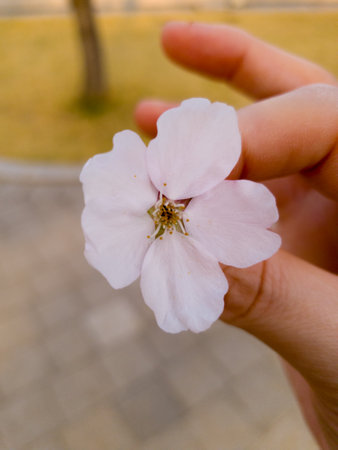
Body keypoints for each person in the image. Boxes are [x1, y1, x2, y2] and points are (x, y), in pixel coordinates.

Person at [134, 21, 338, 449]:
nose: (168, 213)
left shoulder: (181, 208)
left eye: (168, 210)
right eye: (166, 211)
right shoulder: (145, 209)